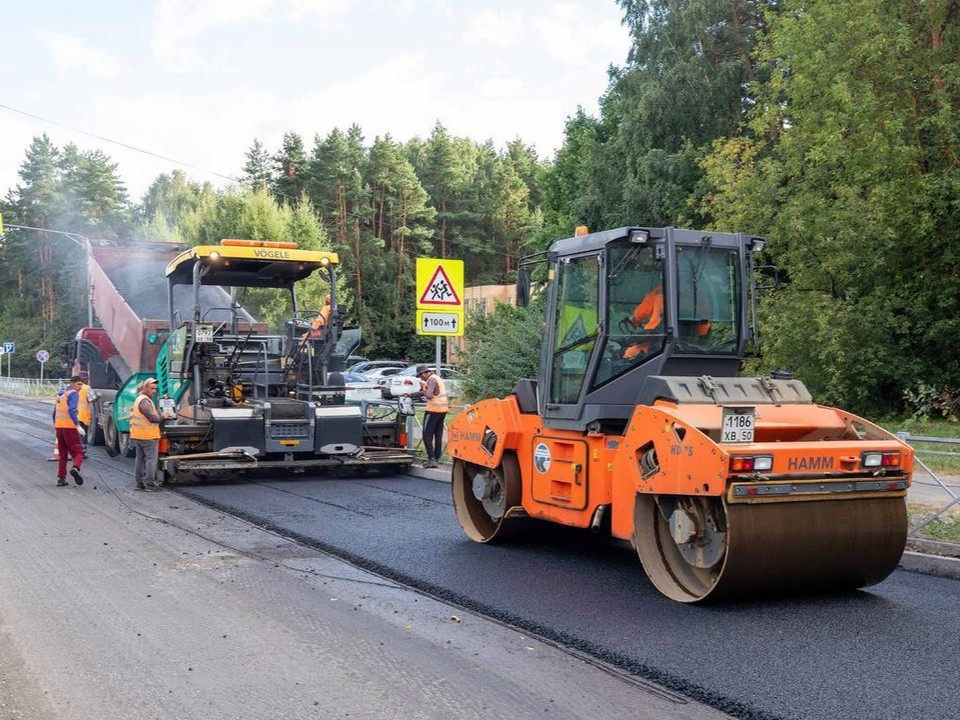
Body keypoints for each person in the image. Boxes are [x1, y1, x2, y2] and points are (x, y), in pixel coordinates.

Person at [130, 377, 170, 491]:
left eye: (155, 389)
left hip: (138, 435)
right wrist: (163, 416)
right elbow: (153, 418)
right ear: (145, 387)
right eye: (152, 388)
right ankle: (149, 485)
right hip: (148, 436)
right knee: (151, 460)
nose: (154, 391)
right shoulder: (144, 401)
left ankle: (139, 484)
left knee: (140, 459)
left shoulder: (140, 399)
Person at [52, 375, 86, 487]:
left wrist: (56, 425)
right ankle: (75, 468)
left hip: (59, 427)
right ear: (72, 383)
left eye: (81, 384)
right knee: (79, 452)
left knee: (63, 455)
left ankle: (61, 479)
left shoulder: (62, 395)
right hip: (69, 428)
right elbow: (71, 409)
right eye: (78, 384)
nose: (80, 387)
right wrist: (78, 425)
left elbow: (54, 413)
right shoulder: (73, 394)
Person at [416, 364, 448, 468]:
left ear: (424, 373)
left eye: (420, 376)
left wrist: (423, 388)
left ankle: (431, 459)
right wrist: (412, 394)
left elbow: (429, 395)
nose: (421, 378)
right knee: (438, 435)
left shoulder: (431, 380)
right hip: (442, 410)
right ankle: (437, 458)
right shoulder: (437, 378)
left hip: (433, 410)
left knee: (427, 436)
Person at [623, 284, 664, 360]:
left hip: (653, 338)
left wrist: (634, 320)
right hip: (674, 339)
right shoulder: (689, 288)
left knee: (628, 355)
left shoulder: (661, 290)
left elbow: (641, 313)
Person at [75, 370, 98, 448]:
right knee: (83, 434)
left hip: (74, 414)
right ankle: (82, 450)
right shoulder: (87, 388)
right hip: (83, 415)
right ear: (85, 379)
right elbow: (92, 399)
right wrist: (98, 397)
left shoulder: (73, 386)